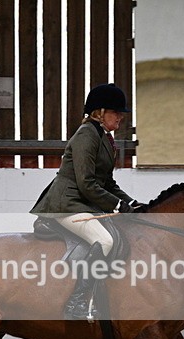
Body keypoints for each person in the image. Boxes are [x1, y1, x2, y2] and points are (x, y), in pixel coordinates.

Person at [30, 83, 141, 319]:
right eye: (116, 112)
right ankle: (77, 302)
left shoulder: (104, 138)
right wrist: (118, 205)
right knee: (105, 240)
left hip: (82, 203)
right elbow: (87, 184)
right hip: (66, 204)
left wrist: (132, 203)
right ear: (99, 112)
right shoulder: (86, 135)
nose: (121, 117)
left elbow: (107, 183)